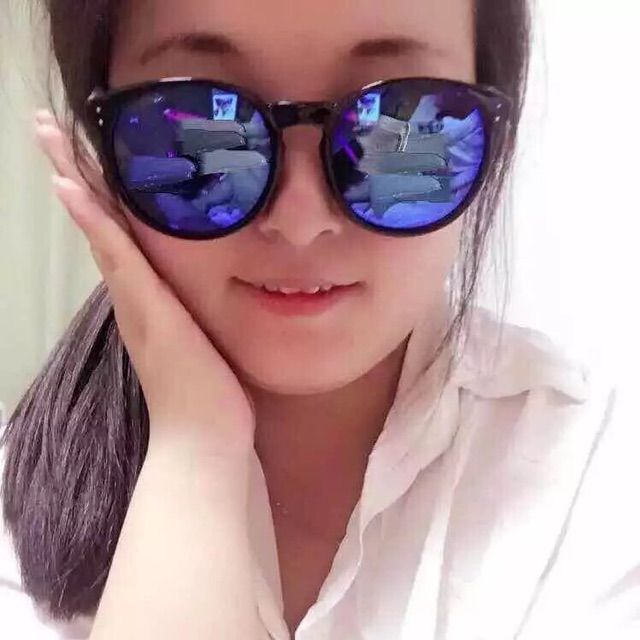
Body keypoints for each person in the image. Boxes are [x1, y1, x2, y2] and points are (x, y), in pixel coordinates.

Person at [0, 0, 637, 638]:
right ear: (97, 154)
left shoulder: (604, 486)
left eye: (398, 128)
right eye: (205, 133)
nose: (301, 222)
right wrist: (194, 448)